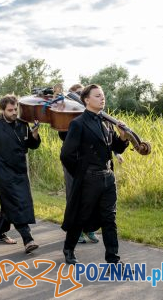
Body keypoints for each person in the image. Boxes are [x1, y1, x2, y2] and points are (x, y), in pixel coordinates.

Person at [60, 84, 129, 265]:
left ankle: (113, 260)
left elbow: (116, 147)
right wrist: (82, 173)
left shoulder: (107, 122)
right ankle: (69, 248)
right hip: (89, 180)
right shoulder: (78, 123)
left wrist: (123, 137)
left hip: (108, 177)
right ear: (86, 100)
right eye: (98, 96)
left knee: (109, 218)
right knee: (81, 216)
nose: (102, 98)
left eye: (103, 95)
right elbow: (66, 155)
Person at [0, 94, 41, 253]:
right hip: (4, 173)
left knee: (12, 203)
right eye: (10, 110)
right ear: (2, 110)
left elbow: (32, 145)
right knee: (16, 203)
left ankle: (0, 233)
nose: (14, 112)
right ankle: (28, 239)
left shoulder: (22, 124)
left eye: (16, 109)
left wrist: (34, 133)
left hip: (21, 170)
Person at [57, 84, 99, 244]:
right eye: (76, 95)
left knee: (91, 197)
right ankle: (76, 230)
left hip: (89, 162)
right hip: (73, 162)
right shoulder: (68, 115)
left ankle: (89, 229)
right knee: (73, 195)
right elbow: (63, 136)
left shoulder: (93, 116)